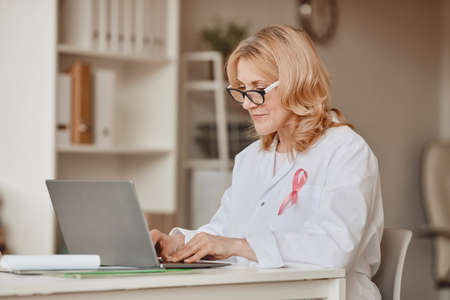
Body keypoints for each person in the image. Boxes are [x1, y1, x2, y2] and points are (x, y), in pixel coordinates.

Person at [151, 24, 384, 300]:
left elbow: (334, 250)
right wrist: (178, 243)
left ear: (297, 83)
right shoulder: (251, 159)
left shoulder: (346, 151)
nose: (248, 103)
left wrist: (239, 246)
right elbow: (223, 230)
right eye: (241, 89)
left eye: (258, 89)